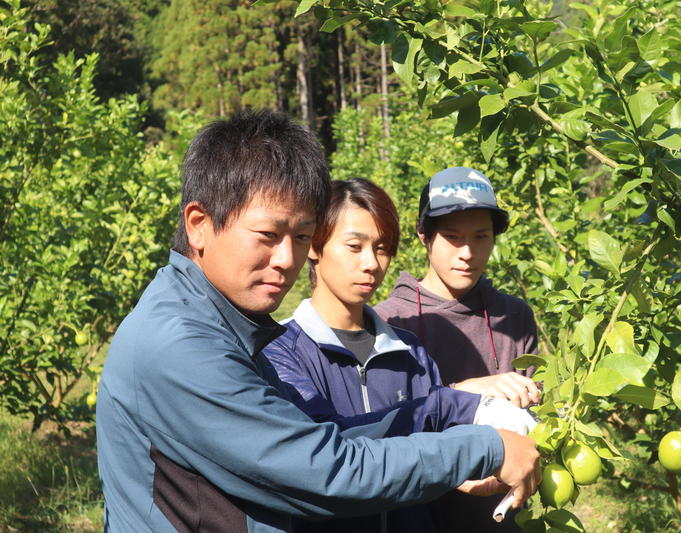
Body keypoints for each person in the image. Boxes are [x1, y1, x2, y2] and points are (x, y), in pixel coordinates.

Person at [96, 111, 541, 533]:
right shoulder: (181, 344)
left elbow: (328, 436)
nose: (286, 259)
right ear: (199, 224)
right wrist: (484, 448)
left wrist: (456, 408)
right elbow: (323, 469)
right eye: (268, 236)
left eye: (302, 235)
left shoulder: (224, 326)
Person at [262, 178, 538, 532]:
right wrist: (458, 406)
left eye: (382, 247)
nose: (371, 263)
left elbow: (436, 451)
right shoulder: (280, 352)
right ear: (315, 244)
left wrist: (462, 476)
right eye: (354, 246)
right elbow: (326, 457)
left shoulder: (410, 351)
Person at [374, 166, 541, 532]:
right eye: (452, 237)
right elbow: (376, 433)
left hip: (498, 517)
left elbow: (536, 421)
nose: (467, 252)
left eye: (481, 237)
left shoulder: (514, 316)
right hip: (415, 518)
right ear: (424, 237)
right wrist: (463, 392)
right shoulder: (387, 322)